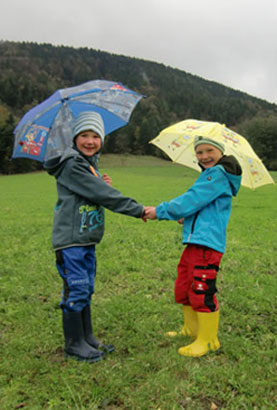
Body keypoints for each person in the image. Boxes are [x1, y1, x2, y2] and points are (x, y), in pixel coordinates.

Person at [44, 111, 144, 363]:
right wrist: (139, 209)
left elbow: (94, 189)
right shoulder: (71, 164)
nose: (90, 141)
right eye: (84, 135)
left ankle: (87, 337)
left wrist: (100, 180)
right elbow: (103, 195)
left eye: (96, 136)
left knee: (86, 288)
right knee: (76, 289)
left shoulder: (87, 165)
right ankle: (74, 344)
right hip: (71, 241)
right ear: (75, 138)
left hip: (86, 239)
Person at [144, 136, 242, 357]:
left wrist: (160, 211)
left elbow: (192, 199)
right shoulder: (211, 175)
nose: (204, 156)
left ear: (221, 153)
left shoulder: (217, 174)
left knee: (201, 287)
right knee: (185, 283)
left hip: (207, 244)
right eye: (199, 152)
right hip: (196, 242)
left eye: (210, 151)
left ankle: (209, 340)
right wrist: (187, 217)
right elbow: (203, 205)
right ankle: (191, 329)